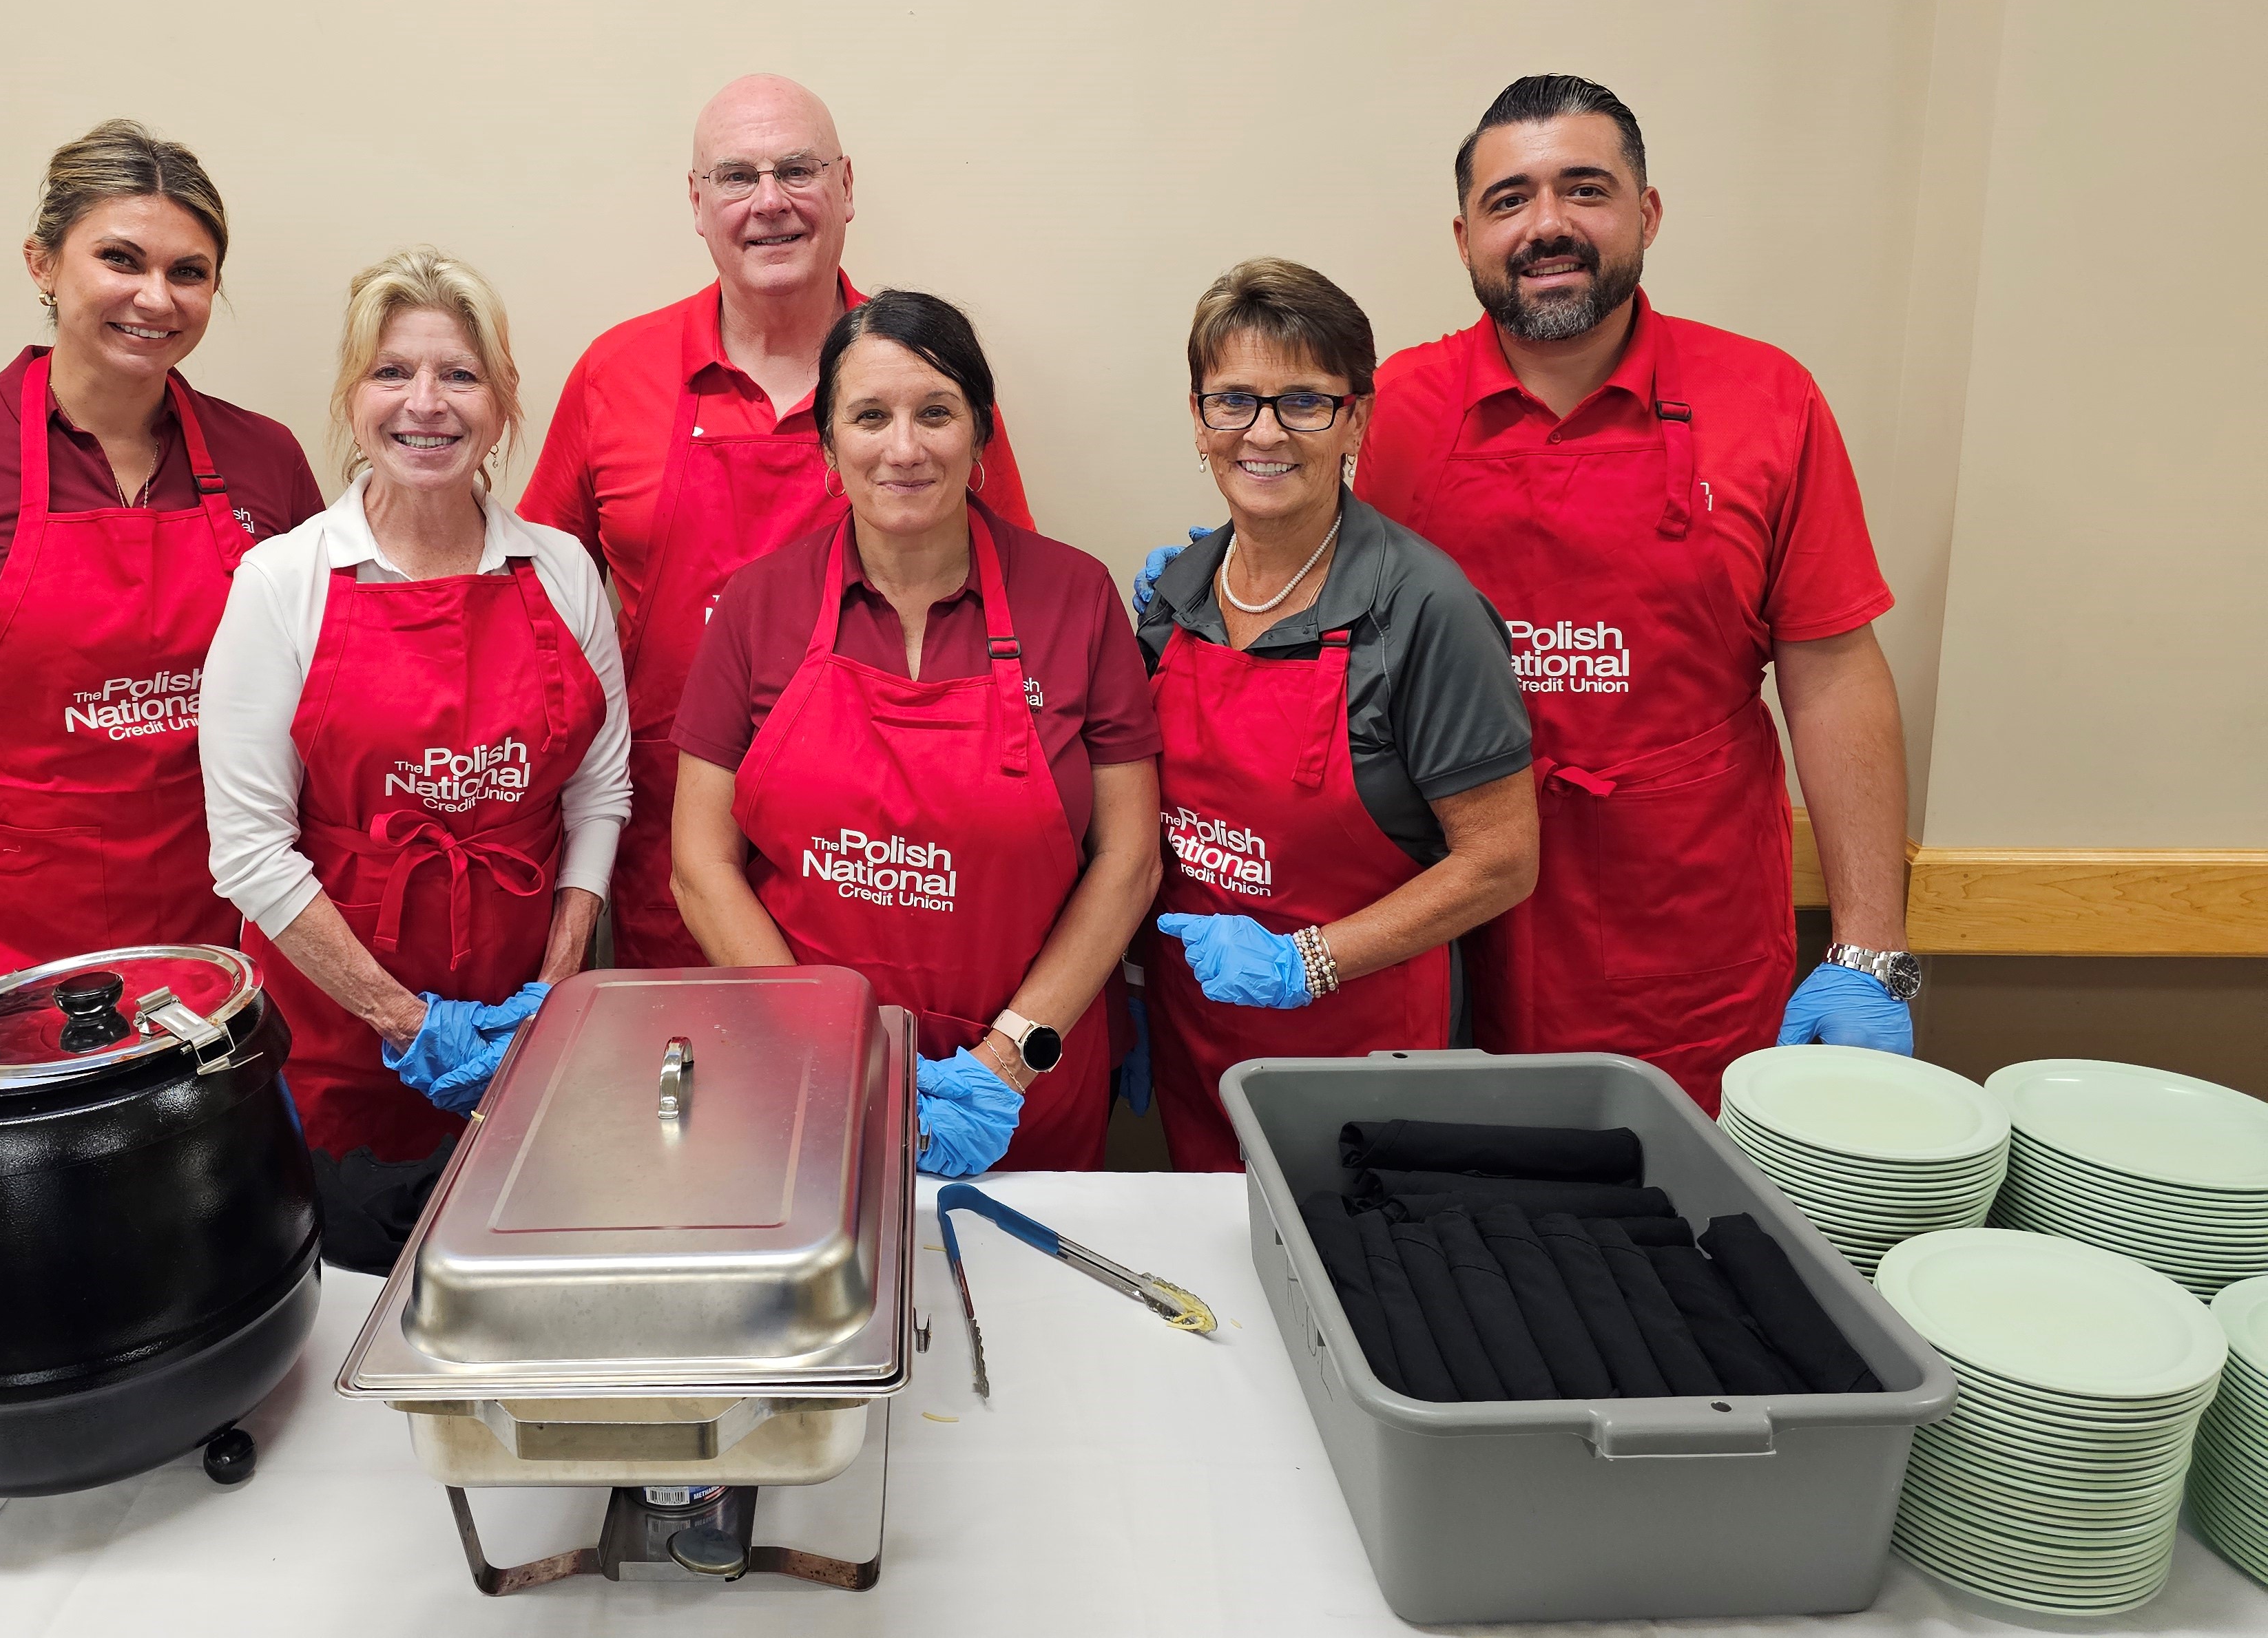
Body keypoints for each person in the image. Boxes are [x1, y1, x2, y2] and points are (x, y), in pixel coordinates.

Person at [1141, 76, 1917, 1110]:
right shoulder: (1395, 405)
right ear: (1466, 238)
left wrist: (1869, 949)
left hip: (1681, 920)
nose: (1546, 225)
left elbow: (1833, 673)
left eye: (1584, 189)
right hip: (1440, 924)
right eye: (1509, 200)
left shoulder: (1766, 402)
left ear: (1647, 213)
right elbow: (1309, 539)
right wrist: (1223, 583)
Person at [0, 120, 324, 1013]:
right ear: (42, 264)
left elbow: (330, 709)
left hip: (223, 931)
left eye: (188, 272)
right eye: (120, 259)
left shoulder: (266, 460)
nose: (155, 297)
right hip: (4, 938)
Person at [521, 75, 1032, 970]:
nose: (769, 202)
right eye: (736, 176)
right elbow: (528, 605)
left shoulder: (922, 381)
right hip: (673, 840)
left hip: (884, 855)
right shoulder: (615, 372)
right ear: (696, 201)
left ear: (846, 187)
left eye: (797, 170)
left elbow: (1015, 598)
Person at [200, 249, 628, 1268]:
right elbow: (249, 851)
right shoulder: (281, 582)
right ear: (352, 398)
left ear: (503, 402)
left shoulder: (562, 569)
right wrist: (404, 1021)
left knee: (508, 1278)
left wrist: (553, 988)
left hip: (523, 1024)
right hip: (337, 1035)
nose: (425, 404)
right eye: (392, 372)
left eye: (460, 375)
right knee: (348, 1298)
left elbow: (600, 791)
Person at [670, 292, 1160, 1174]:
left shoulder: (1076, 598)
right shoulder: (756, 606)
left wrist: (1008, 1059)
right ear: (828, 444)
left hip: (1024, 1088)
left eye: (935, 413)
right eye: (869, 416)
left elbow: (1129, 859)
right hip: (808, 1080)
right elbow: (699, 865)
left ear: (980, 434)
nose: (903, 448)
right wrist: (828, 1053)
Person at [1136, 261, 1539, 1170]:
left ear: (1356, 419)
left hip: (1367, 1063)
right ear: (1199, 419)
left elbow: (1502, 861)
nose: (1264, 432)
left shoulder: (1425, 608)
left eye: (1304, 402)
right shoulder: (1173, 596)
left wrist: (1305, 963)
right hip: (1200, 1048)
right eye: (1233, 400)